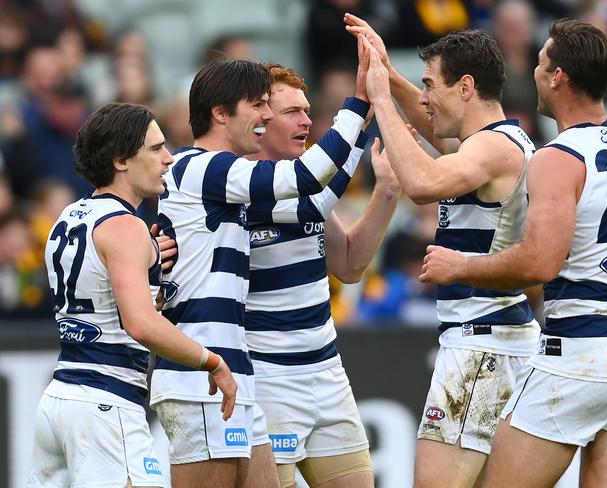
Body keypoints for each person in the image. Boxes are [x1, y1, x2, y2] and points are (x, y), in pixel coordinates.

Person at [420, 19, 607, 487]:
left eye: (542, 64)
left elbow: (539, 264)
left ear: (558, 76)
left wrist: (460, 265)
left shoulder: (560, 156)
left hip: (580, 349)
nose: (535, 73)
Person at [152, 53, 370, 488]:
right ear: (220, 113)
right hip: (203, 373)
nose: (266, 115)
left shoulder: (221, 180)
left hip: (234, 370)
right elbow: (307, 178)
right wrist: (360, 104)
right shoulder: (202, 167)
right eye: (258, 106)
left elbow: (312, 203)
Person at [345, 16, 539, 488]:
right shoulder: (491, 143)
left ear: (466, 86)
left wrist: (382, 97)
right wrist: (387, 71)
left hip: (480, 346)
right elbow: (439, 134)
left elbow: (422, 182)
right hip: (498, 337)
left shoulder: (492, 148)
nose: (424, 96)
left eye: (431, 84)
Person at [28, 102, 237, 488]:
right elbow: (139, 324)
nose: (168, 159)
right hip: (104, 404)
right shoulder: (126, 227)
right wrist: (213, 363)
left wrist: (148, 267)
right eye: (156, 149)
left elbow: (101, 299)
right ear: (121, 160)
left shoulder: (70, 215)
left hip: (58, 400)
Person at [242, 63, 400, 488]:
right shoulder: (236, 183)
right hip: (267, 381)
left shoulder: (305, 187)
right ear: (259, 119)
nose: (307, 121)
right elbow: (313, 203)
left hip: (328, 373)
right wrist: (360, 115)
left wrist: (387, 192)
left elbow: (348, 264)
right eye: (292, 111)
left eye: (307, 110)